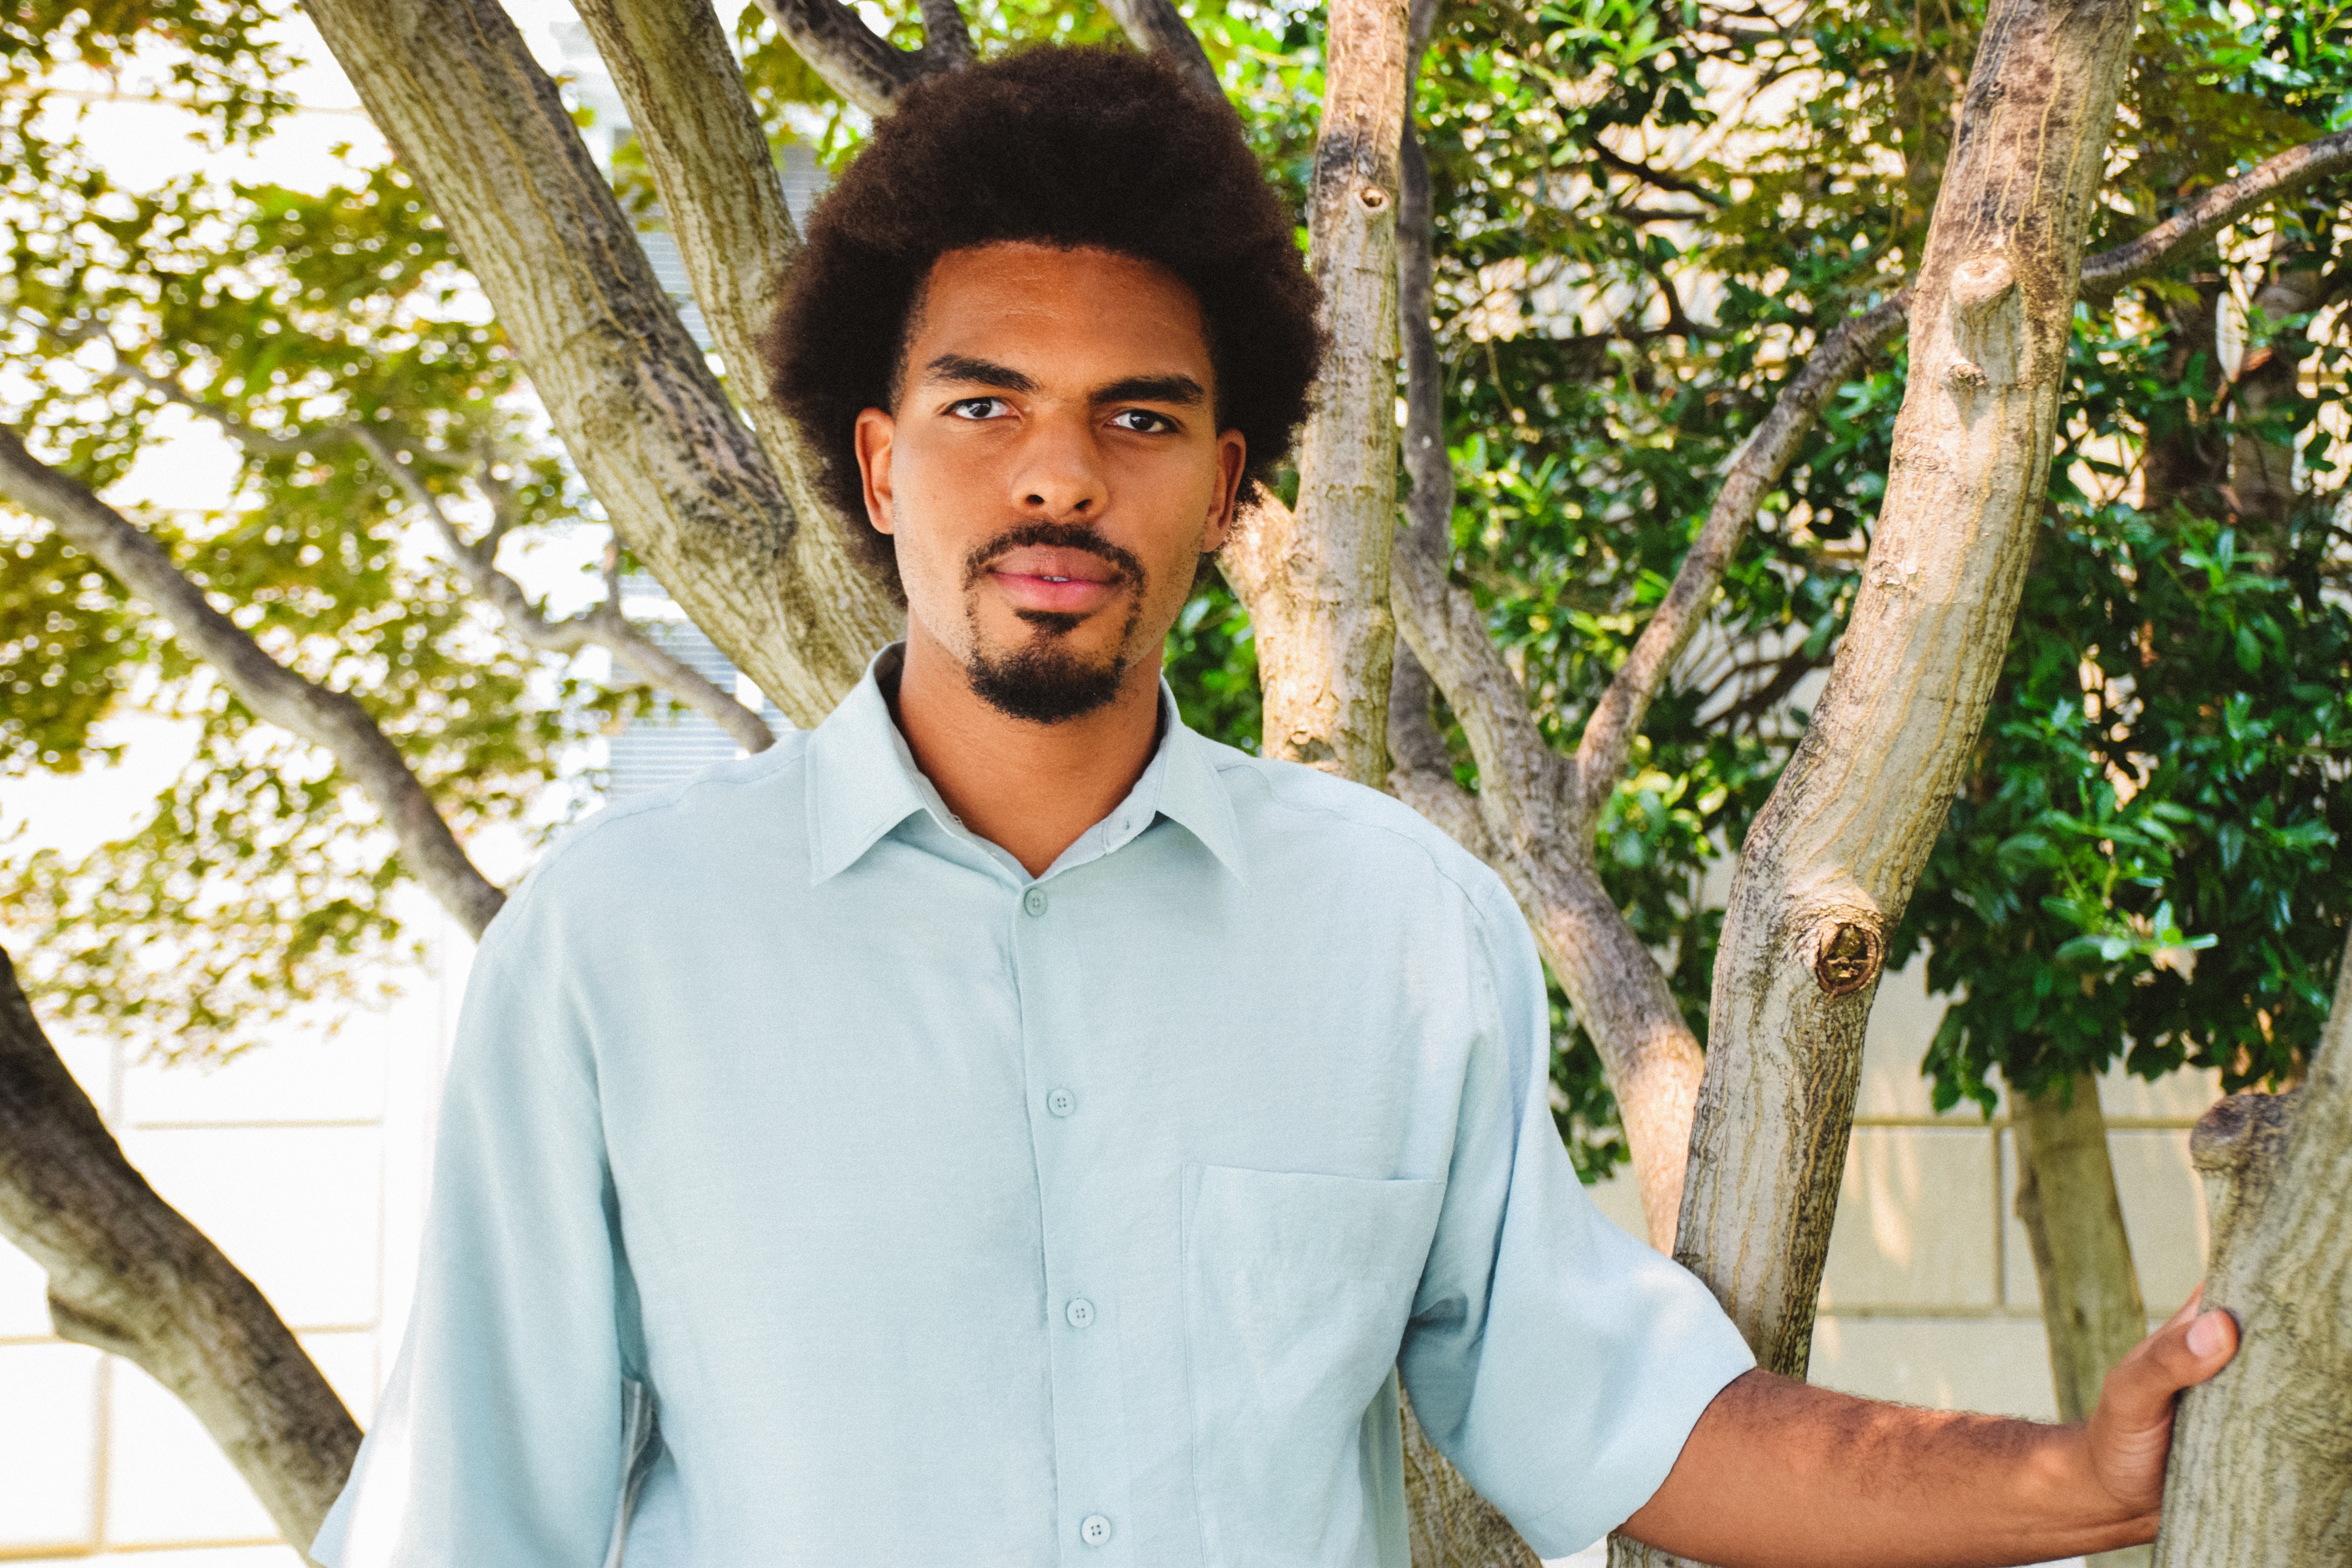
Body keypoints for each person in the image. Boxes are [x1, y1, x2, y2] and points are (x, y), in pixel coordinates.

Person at [314, 46, 2237, 1568]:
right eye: (987, 407)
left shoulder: (1397, 932)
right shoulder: (619, 948)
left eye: (1138, 417)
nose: (1060, 477)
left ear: (1229, 486)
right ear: (881, 466)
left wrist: (2073, 1474)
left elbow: (1629, 1417)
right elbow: (470, 1514)